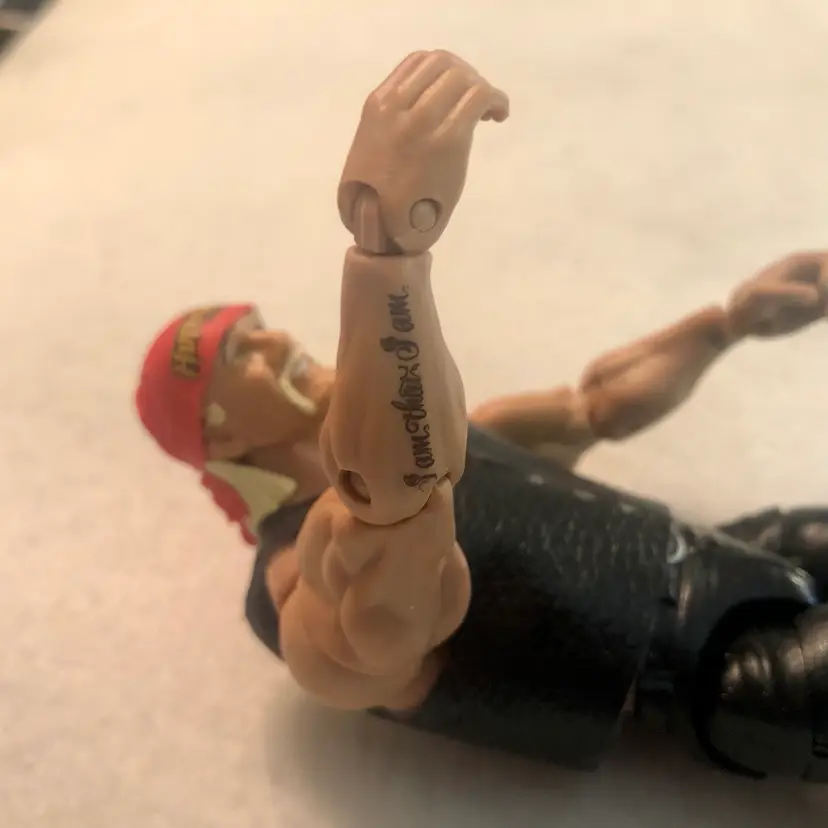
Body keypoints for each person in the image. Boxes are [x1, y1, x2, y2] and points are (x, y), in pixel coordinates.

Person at [136, 50, 828, 782]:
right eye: (238, 353)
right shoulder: (289, 582)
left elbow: (596, 405)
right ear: (220, 433)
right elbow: (375, 616)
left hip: (723, 552)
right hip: (718, 679)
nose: (275, 341)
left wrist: (726, 324)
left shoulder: (460, 440)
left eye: (258, 327)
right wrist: (387, 261)